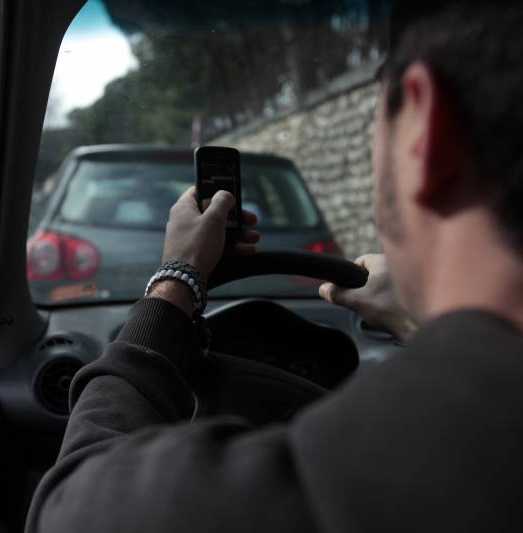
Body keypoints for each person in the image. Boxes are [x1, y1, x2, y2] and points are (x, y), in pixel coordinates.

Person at [26, 2, 523, 532]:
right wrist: (419, 315)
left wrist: (176, 279)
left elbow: (69, 509)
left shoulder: (340, 482)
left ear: (426, 127)